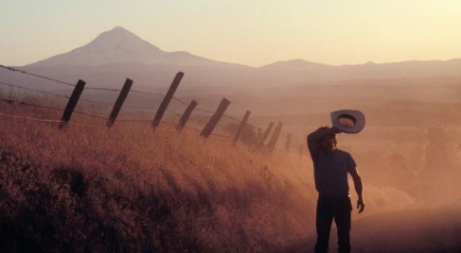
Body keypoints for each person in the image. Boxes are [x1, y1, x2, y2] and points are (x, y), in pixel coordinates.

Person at [307, 126, 365, 253]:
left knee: (344, 241)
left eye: (329, 138)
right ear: (320, 143)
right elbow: (310, 138)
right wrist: (330, 130)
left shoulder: (345, 156)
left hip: (343, 202)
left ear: (334, 140)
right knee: (322, 240)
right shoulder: (317, 155)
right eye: (322, 140)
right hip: (324, 202)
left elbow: (356, 177)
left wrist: (360, 197)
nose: (326, 141)